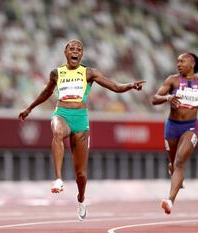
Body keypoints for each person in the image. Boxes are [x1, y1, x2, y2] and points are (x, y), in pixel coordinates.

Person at [19, 39, 145, 221]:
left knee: (81, 174)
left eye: (79, 49)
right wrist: (30, 108)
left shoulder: (89, 73)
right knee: (57, 132)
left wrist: (131, 85)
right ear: (66, 52)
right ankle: (58, 179)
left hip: (81, 120)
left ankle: (81, 198)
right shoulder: (56, 73)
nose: (75, 51)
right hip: (61, 113)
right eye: (72, 48)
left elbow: (115, 87)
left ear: (82, 55)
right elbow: (46, 93)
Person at [152, 53, 198, 214]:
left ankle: (169, 201)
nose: (178, 64)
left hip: (191, 127)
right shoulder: (172, 80)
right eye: (177, 61)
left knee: (179, 163)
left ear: (192, 63)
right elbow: (154, 99)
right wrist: (167, 97)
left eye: (182, 61)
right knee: (174, 164)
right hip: (172, 127)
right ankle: (174, 171)